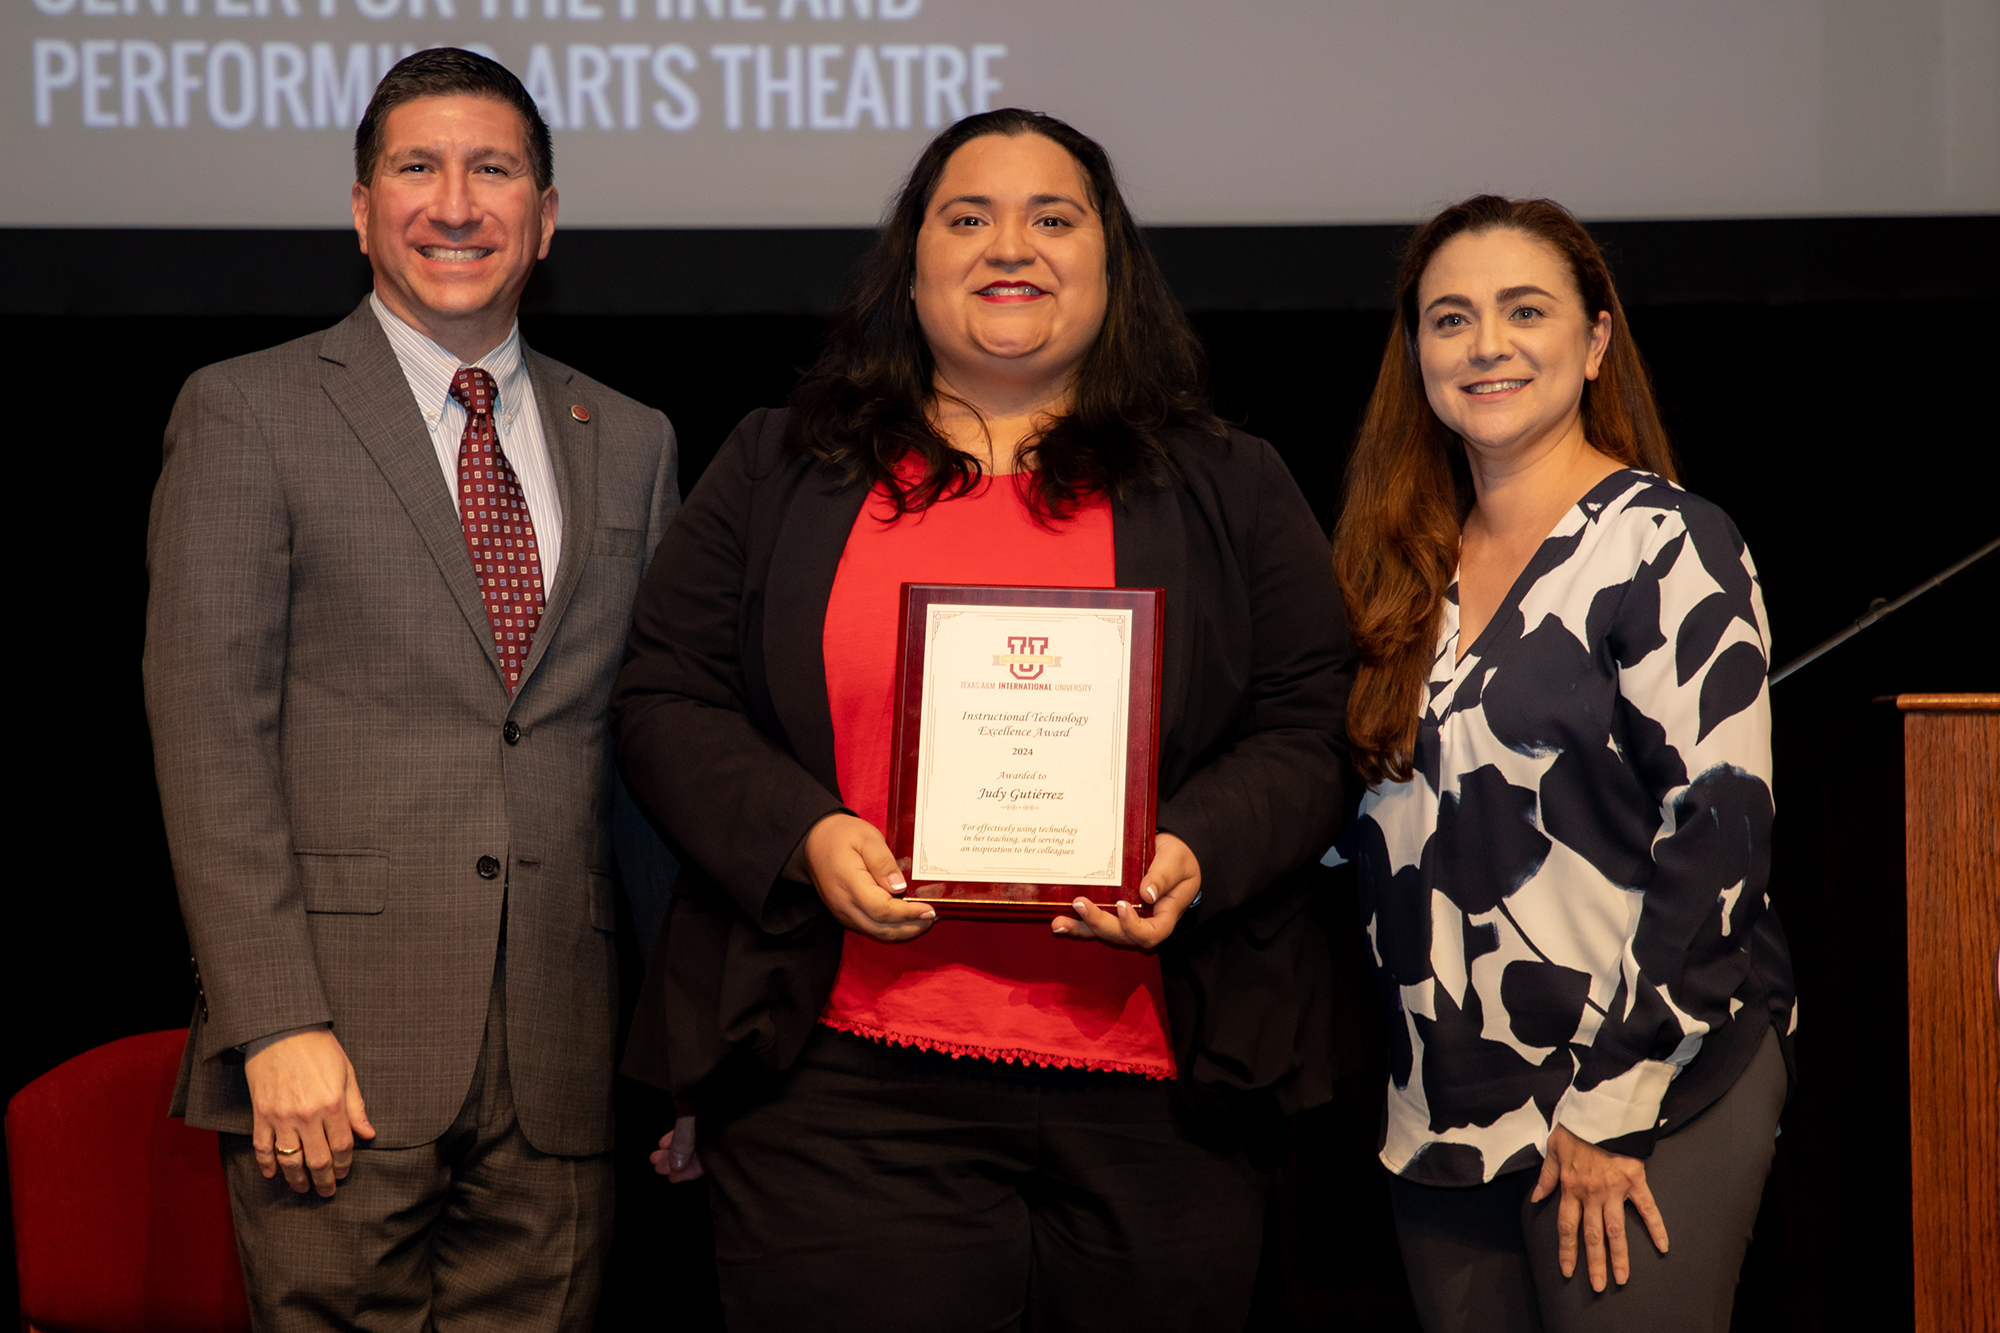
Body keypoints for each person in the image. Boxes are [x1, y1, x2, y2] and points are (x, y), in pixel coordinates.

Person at [614, 108, 1355, 1331]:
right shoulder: (777, 468)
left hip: (1160, 1094)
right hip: (839, 1085)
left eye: (1051, 218)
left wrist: (1194, 849)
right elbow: (663, 695)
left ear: (1110, 268)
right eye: (968, 217)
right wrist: (803, 834)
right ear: (912, 265)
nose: (1009, 245)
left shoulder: (1228, 481)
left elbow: (1310, 721)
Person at [145, 47, 679, 1331]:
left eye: (493, 169)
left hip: (565, 1056)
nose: (456, 203)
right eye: (417, 168)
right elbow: (210, 735)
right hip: (332, 1058)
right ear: (360, 208)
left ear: (545, 219)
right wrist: (273, 1022)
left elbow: (652, 759)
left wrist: (677, 1047)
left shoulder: (637, 438)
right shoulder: (247, 411)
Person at [1327, 195, 1797, 1332]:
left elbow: (1719, 834)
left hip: (1644, 1092)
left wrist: (1608, 1104)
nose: (1484, 343)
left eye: (1521, 310)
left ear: (1592, 343)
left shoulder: (1666, 543)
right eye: (1449, 319)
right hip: (1440, 1114)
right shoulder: (1393, 573)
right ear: (1416, 357)